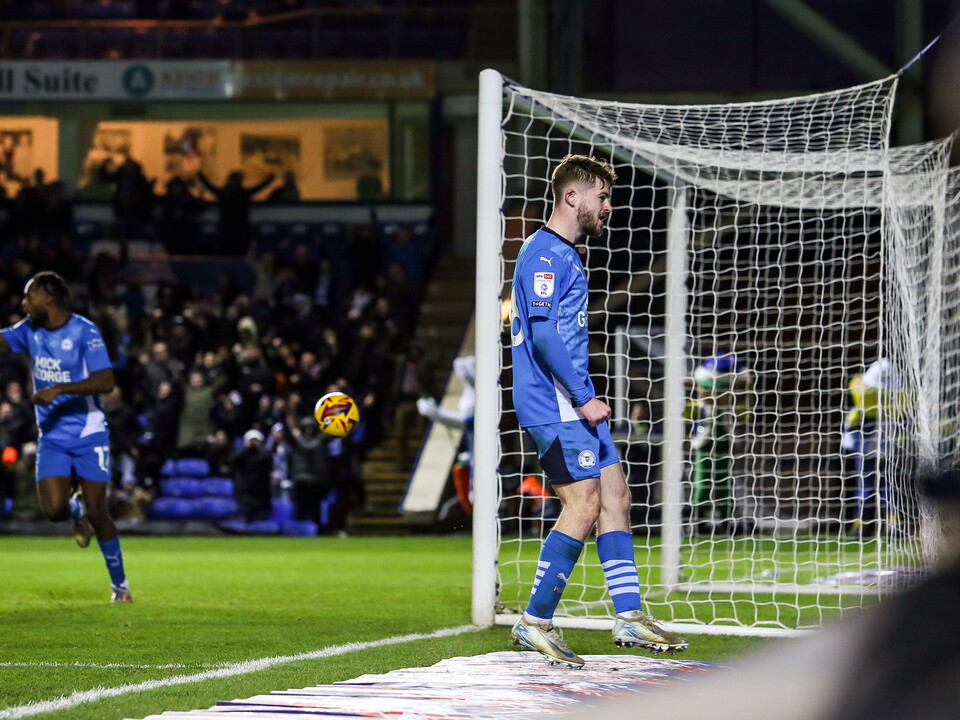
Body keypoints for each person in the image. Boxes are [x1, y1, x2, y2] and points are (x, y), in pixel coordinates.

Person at [507, 154, 686, 667]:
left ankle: (629, 616)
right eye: (602, 197)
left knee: (616, 495)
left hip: (575, 399)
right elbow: (542, 335)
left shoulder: (565, 254)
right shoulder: (544, 254)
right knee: (582, 504)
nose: (608, 206)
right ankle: (535, 619)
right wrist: (584, 399)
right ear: (572, 197)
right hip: (555, 402)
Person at [0, 271, 132, 603]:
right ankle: (75, 512)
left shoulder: (85, 331)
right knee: (55, 510)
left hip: (89, 433)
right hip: (52, 436)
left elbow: (106, 381)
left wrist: (59, 389)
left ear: (48, 297)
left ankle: (120, 587)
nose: (24, 302)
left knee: (98, 511)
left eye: (29, 296)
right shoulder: (29, 331)